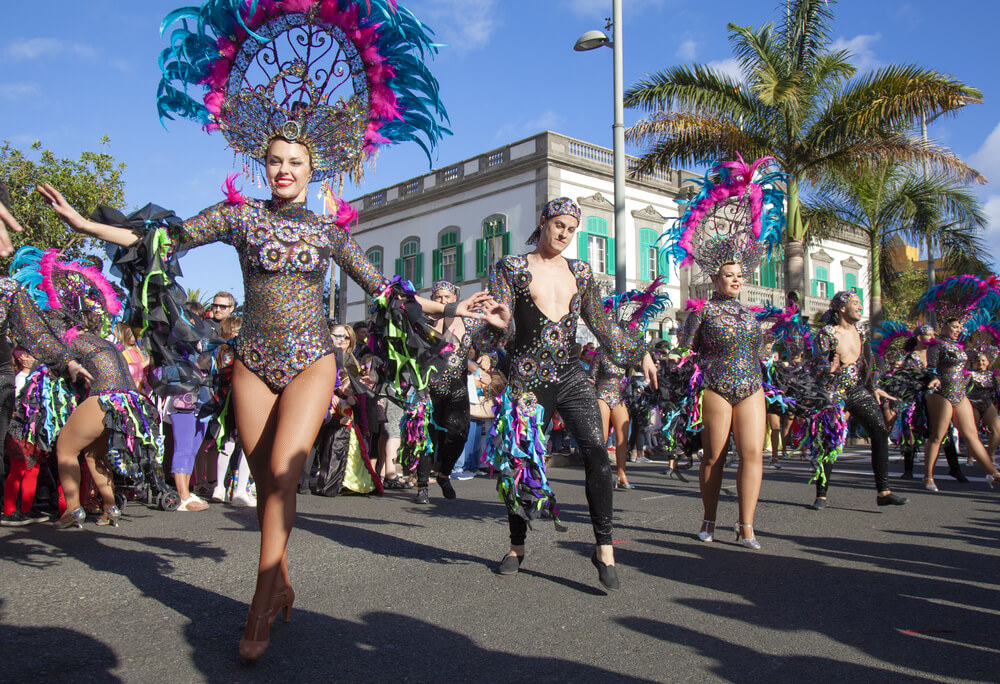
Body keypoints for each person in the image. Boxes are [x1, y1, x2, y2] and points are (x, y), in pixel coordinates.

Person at [34, 0, 498, 661]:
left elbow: (386, 290)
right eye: (276, 160)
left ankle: (258, 599)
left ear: (314, 173)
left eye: (296, 164)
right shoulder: (240, 216)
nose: (284, 170)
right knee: (264, 479)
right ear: (265, 164)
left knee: (283, 472)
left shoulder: (325, 232)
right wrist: (85, 227)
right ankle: (281, 581)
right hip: (252, 360)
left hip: (313, 358)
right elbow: (161, 240)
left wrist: (449, 307)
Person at [485, 197, 657, 592]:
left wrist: (640, 351)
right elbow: (503, 321)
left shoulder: (581, 271)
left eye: (571, 229)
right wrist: (493, 341)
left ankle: (604, 547)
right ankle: (516, 547)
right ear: (543, 222)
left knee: (597, 453)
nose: (564, 233)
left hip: (570, 374)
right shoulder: (511, 267)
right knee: (522, 460)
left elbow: (603, 326)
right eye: (558, 224)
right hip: (527, 376)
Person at [665, 156, 786, 549]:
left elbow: (760, 351)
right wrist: (685, 333)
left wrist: (775, 337)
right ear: (714, 278)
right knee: (714, 455)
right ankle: (710, 518)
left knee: (754, 454)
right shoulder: (703, 311)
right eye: (729, 276)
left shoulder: (752, 316)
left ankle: (746, 525)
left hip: (751, 385)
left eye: (740, 276)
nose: (736, 280)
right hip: (716, 385)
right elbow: (686, 350)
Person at [808, 291, 908, 510]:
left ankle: (884, 492)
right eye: (856, 304)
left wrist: (875, 387)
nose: (860, 308)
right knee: (830, 441)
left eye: (860, 304)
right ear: (843, 308)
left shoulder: (861, 330)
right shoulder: (827, 333)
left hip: (857, 391)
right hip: (833, 392)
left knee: (880, 431)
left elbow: (868, 362)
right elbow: (816, 364)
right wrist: (828, 369)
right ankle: (821, 495)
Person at [914, 277, 1000, 491]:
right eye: (954, 326)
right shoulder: (937, 345)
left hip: (959, 392)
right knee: (938, 435)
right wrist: (934, 377)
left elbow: (962, 368)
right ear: (943, 326)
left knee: (972, 434)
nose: (958, 329)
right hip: (940, 392)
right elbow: (931, 366)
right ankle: (928, 477)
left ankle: (993, 473)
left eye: (959, 326)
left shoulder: (959, 347)